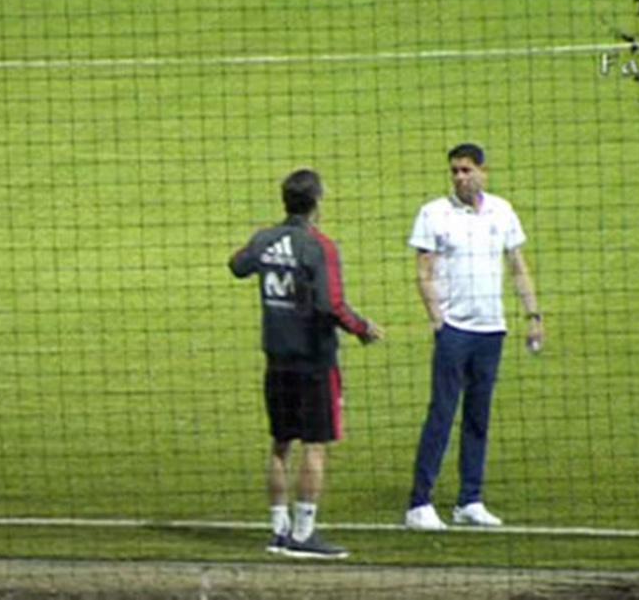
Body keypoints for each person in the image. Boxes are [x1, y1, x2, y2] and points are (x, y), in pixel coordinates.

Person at [229, 168, 384, 558]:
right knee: (315, 445)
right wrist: (362, 328)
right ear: (316, 203)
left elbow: (237, 265)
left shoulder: (266, 238)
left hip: (276, 358)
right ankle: (303, 534)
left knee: (281, 444)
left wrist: (264, 249)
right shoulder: (320, 247)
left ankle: (278, 531)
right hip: (314, 361)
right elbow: (330, 304)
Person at [404, 143, 543, 531]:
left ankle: (470, 499)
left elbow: (518, 267)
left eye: (466, 170)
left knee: (478, 418)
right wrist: (438, 322)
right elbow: (424, 272)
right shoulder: (434, 213)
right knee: (442, 414)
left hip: (491, 330)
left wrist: (533, 315)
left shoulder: (502, 210)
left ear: (484, 171)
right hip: (455, 332)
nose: (460, 177)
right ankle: (419, 503)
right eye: (454, 171)